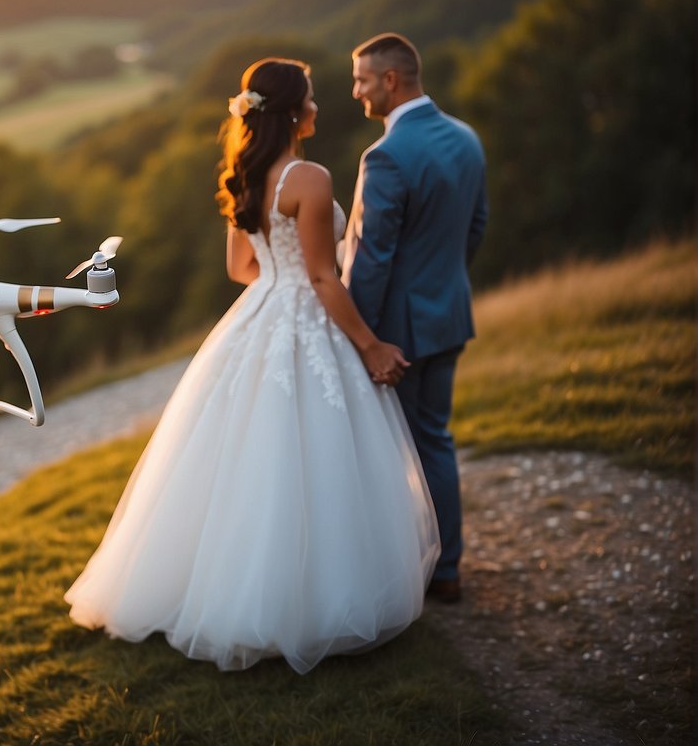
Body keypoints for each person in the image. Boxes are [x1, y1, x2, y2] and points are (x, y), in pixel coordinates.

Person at [64, 57, 440, 673]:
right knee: (314, 455)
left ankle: (221, 593)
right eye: (312, 97)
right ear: (295, 111)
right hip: (302, 313)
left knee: (244, 457)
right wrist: (370, 345)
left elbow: (242, 269)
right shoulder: (309, 179)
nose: (319, 106)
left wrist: (280, 278)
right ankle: (313, 601)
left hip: (258, 312)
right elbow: (322, 276)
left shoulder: (246, 174)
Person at [342, 33, 488, 604]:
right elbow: (476, 225)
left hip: (396, 333)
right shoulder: (466, 138)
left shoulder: (385, 155)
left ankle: (406, 571)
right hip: (449, 315)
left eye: (361, 80)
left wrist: (362, 337)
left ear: (390, 81)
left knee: (392, 451)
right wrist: (442, 285)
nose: (355, 91)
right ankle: (445, 568)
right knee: (435, 440)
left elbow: (373, 258)